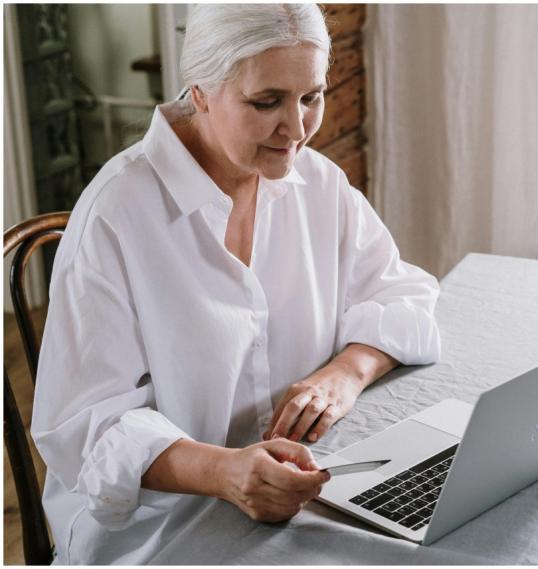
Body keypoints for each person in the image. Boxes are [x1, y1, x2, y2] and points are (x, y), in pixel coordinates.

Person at [31, 4, 441, 564]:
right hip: (159, 531)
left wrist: (343, 375)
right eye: (266, 101)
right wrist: (225, 472)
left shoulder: (318, 183)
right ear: (199, 91)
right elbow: (87, 431)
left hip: (299, 504)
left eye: (311, 97)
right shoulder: (116, 215)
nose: (296, 130)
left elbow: (403, 295)